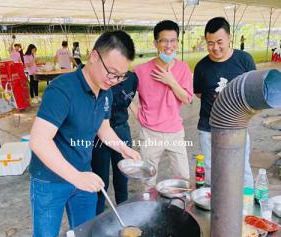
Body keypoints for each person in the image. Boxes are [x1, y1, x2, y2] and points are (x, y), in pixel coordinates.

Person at [28, 30, 140, 237]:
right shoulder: (62, 90)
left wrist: (123, 148)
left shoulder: (106, 91)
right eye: (111, 72)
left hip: (84, 175)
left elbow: (103, 127)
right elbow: (39, 141)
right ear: (94, 56)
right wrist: (75, 177)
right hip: (50, 179)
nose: (114, 80)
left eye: (121, 76)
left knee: (86, 234)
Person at [193, 17, 256, 187]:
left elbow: (252, 90)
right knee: (212, 170)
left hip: (237, 128)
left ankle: (246, 210)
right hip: (208, 128)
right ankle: (214, 209)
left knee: (242, 169)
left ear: (229, 38)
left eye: (219, 42)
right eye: (210, 43)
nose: (215, 48)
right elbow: (199, 94)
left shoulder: (244, 60)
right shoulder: (201, 67)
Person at [131, 20, 193, 190]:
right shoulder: (141, 70)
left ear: (178, 43)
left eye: (173, 40)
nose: (169, 45)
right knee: (148, 180)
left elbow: (187, 99)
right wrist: (139, 116)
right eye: (164, 40)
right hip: (150, 133)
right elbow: (127, 96)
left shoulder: (183, 69)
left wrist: (171, 81)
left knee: (183, 177)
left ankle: (181, 209)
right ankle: (149, 211)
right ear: (156, 43)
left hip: (175, 132)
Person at [91, 71, 138, 214]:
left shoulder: (132, 79)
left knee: (122, 177)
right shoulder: (99, 77)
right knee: (100, 179)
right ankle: (97, 215)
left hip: (122, 129)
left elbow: (130, 101)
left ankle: (123, 213)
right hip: (98, 134)